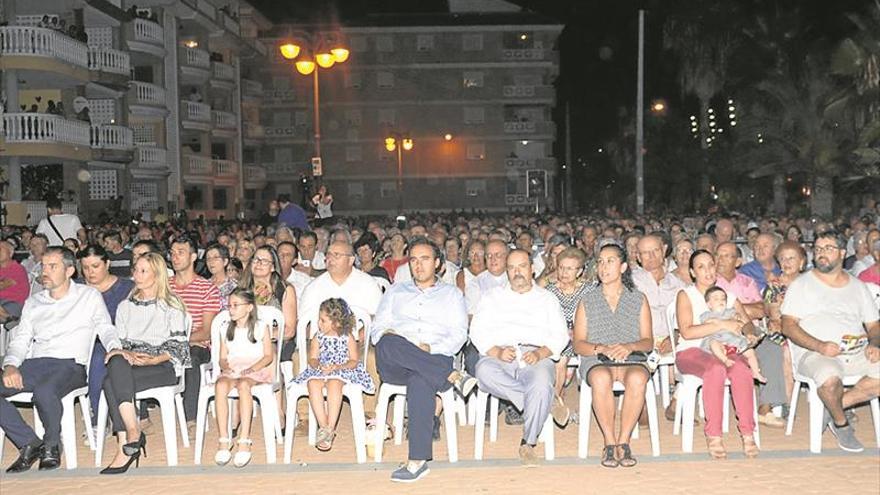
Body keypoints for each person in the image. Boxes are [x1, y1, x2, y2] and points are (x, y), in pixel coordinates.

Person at [1, 247, 120, 473]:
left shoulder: (88, 296)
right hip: (36, 363)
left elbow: (106, 328)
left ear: (69, 270)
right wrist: (10, 365)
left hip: (70, 364)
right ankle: (29, 442)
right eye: (44, 266)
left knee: (45, 391)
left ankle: (52, 445)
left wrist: (114, 348)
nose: (45, 271)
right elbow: (20, 340)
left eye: (52, 266)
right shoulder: (34, 302)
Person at [370, 237, 468, 482]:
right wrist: (402, 341)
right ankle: (450, 374)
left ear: (438, 264)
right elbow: (377, 331)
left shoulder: (452, 294)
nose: (418, 265)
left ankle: (417, 461)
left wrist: (429, 347)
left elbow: (459, 336)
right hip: (395, 363)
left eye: (425, 259)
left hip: (431, 357)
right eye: (413, 260)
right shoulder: (395, 291)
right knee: (388, 342)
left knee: (421, 379)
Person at [781, 230, 880, 453]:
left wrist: (874, 344)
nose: (821, 253)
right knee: (829, 380)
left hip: (855, 351)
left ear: (843, 253)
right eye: (818, 249)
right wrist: (819, 345)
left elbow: (874, 326)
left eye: (828, 248)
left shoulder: (858, 286)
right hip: (815, 352)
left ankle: (836, 404)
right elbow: (787, 326)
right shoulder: (802, 285)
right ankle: (841, 424)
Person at [470, 249, 569, 466]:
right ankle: (546, 402)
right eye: (512, 268)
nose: (517, 272)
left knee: (541, 382)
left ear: (532, 269)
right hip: (500, 355)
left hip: (536, 355)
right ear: (506, 271)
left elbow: (561, 335)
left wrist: (540, 352)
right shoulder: (491, 297)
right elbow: (476, 331)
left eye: (522, 266)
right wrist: (496, 351)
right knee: (484, 372)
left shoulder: (547, 298)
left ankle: (528, 444)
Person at [100, 253, 190, 474]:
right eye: (135, 270)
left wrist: (154, 358)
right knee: (116, 358)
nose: (136, 275)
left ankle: (126, 441)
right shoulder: (125, 306)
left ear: (157, 275)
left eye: (143, 271)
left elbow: (179, 346)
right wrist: (127, 354)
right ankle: (132, 433)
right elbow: (121, 342)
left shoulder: (172, 305)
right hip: (131, 363)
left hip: (162, 365)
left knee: (110, 382)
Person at [573, 242, 654, 468]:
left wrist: (629, 346)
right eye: (600, 262)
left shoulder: (638, 298)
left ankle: (624, 441)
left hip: (630, 358)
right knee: (601, 378)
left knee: (638, 378)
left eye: (610, 261)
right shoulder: (587, 300)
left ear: (623, 267)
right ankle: (609, 442)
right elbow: (578, 343)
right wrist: (601, 348)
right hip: (598, 359)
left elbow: (648, 342)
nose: (603, 267)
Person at [675, 250, 760, 459]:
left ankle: (748, 432)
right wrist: (722, 324)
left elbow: (746, 322)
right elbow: (688, 331)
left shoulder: (728, 297)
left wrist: (749, 334)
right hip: (692, 350)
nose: (708, 271)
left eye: (711, 265)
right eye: (701, 267)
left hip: (727, 349)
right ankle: (714, 434)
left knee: (741, 369)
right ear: (693, 272)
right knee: (715, 368)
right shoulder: (686, 295)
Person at [297, 241, 382, 416]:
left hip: (358, 342)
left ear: (351, 260)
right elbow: (304, 324)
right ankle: (305, 416)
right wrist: (320, 340)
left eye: (337, 255)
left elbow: (378, 318)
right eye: (328, 254)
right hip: (321, 343)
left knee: (372, 358)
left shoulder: (367, 283)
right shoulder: (314, 286)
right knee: (298, 357)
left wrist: (357, 338)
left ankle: (368, 413)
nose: (330, 259)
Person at [292, 298, 374, 452]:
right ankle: (324, 428)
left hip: (342, 369)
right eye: (319, 319)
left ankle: (331, 425)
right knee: (312, 383)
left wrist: (338, 367)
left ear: (336, 323)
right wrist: (318, 366)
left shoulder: (347, 337)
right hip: (323, 369)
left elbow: (354, 361)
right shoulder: (318, 337)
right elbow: (313, 358)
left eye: (323, 320)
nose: (318, 323)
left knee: (334, 383)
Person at [213, 288, 274, 468]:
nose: (231, 309)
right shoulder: (225, 328)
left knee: (243, 386)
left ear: (249, 307)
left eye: (235, 306)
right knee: (221, 385)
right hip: (234, 367)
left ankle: (244, 439)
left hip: (255, 367)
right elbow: (223, 357)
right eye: (229, 305)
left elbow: (268, 356)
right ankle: (224, 438)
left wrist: (251, 369)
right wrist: (226, 368)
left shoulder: (261, 327)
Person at [78, 244, 135, 428]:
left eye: (95, 266)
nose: (90, 272)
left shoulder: (126, 287)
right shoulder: (77, 288)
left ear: (107, 263)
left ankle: (96, 420)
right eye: (85, 267)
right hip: (81, 340)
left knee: (97, 357)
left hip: (116, 340)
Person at [170, 233, 222, 428]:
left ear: (193, 257)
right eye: (172, 253)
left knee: (190, 355)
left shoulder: (206, 288)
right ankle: (142, 417)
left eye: (180, 253)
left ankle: (190, 418)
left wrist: (182, 341)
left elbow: (207, 331)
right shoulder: (165, 287)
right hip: (171, 342)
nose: (175, 257)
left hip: (199, 345)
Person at [544, 246, 590, 418]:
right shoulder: (549, 291)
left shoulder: (589, 289)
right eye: (561, 267)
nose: (564, 272)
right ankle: (554, 401)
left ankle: (570, 405)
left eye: (570, 269)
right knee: (560, 355)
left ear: (579, 271)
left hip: (584, 335)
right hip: (558, 335)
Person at [698, 287, 766, 382]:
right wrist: (719, 322)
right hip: (719, 340)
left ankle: (756, 372)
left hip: (733, 340)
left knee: (750, 352)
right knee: (713, 343)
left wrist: (737, 318)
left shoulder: (730, 312)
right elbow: (705, 323)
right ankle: (724, 359)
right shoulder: (707, 314)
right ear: (709, 304)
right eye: (716, 299)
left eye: (723, 299)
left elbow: (740, 321)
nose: (720, 301)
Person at [0, 239, 30, 325]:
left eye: (1, 249)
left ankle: (9, 318)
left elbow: (3, 285)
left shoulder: (17, 268)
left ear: (10, 253)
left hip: (13, 302)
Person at [205, 243, 237, 311]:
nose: (211, 261)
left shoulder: (234, 286)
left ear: (225, 261)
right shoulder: (203, 285)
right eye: (208, 258)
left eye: (216, 257)